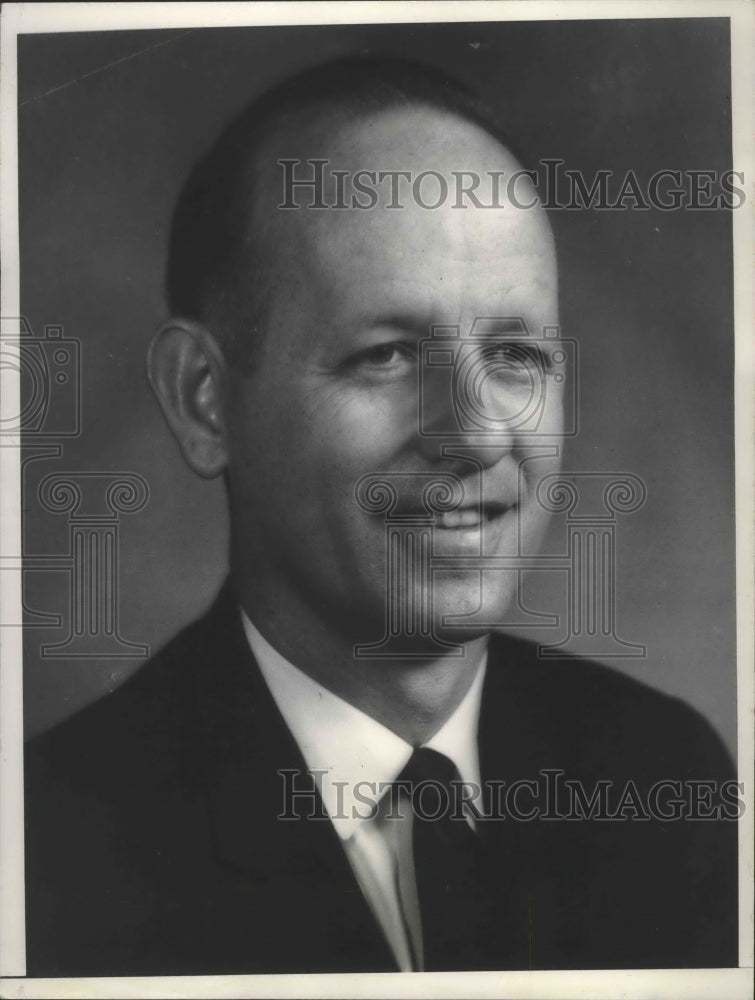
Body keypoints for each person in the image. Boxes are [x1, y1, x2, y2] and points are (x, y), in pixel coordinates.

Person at [24, 57, 738, 977]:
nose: (474, 436)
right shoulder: (53, 849)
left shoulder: (660, 771)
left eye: (515, 351)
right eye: (388, 354)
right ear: (204, 400)